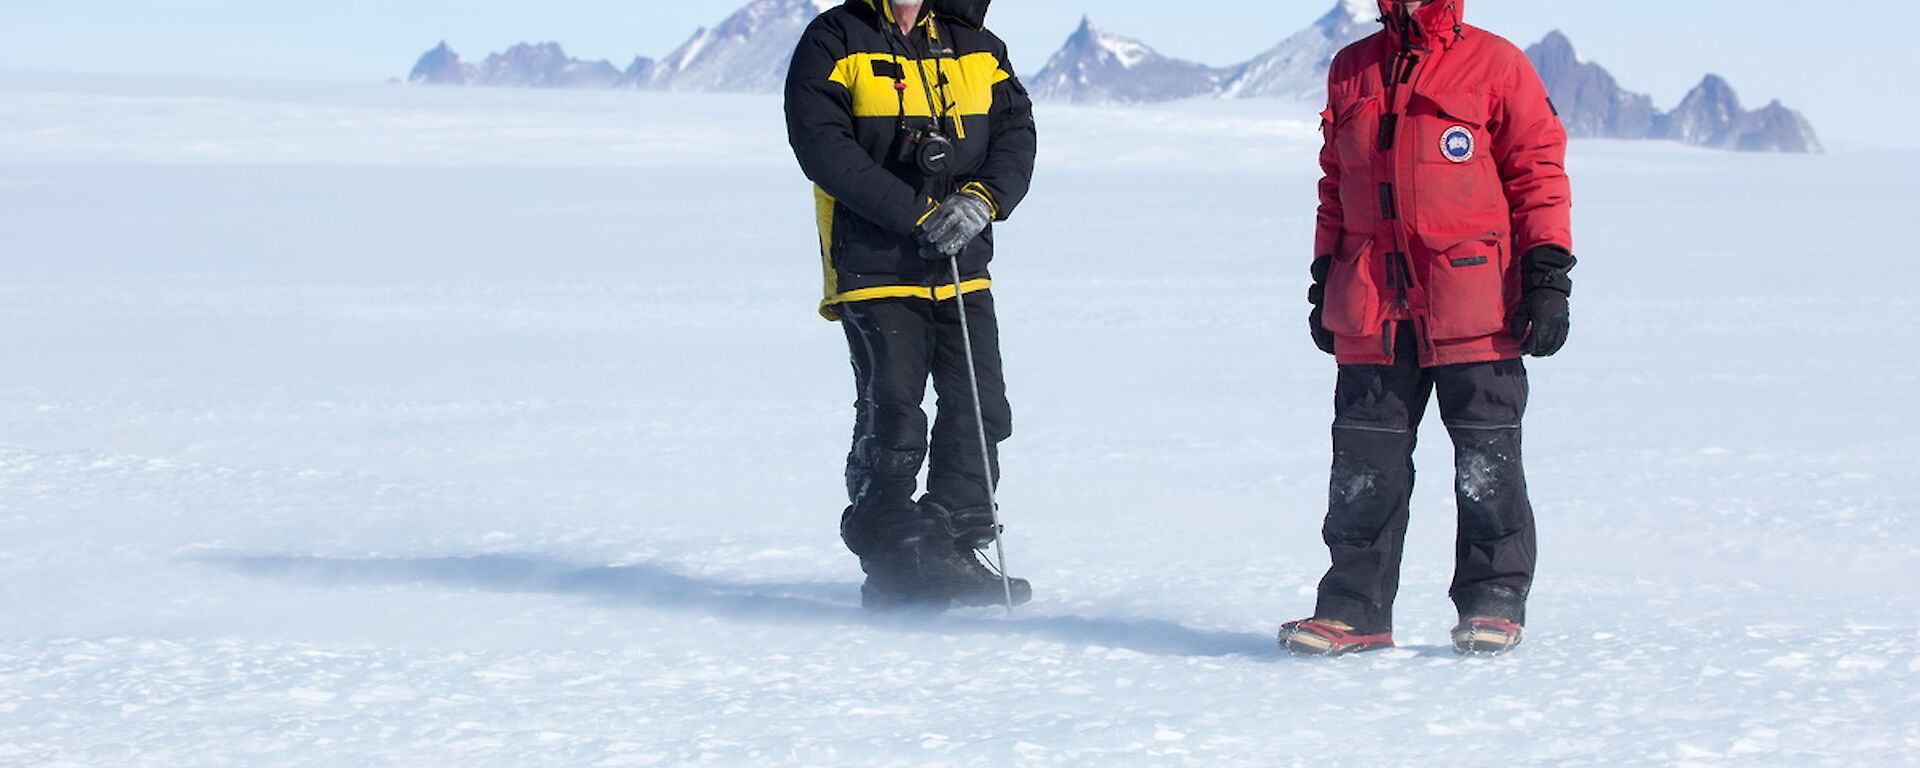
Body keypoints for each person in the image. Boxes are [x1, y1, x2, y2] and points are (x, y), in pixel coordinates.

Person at [1281, 0, 1575, 656]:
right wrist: (1325, 275)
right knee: (1362, 466)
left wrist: (1547, 274)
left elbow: (1539, 174)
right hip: (1370, 302)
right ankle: (1353, 611)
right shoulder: (1352, 67)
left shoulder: (1497, 64)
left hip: (1475, 300)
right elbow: (1336, 185)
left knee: (1486, 458)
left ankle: (1493, 599)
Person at [784, 0, 1037, 610]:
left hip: (961, 265)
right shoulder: (834, 40)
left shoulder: (976, 43)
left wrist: (981, 200)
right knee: (893, 410)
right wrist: (919, 215)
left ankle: (952, 543)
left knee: (980, 407)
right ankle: (894, 552)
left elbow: (1015, 132)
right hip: (874, 263)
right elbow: (824, 150)